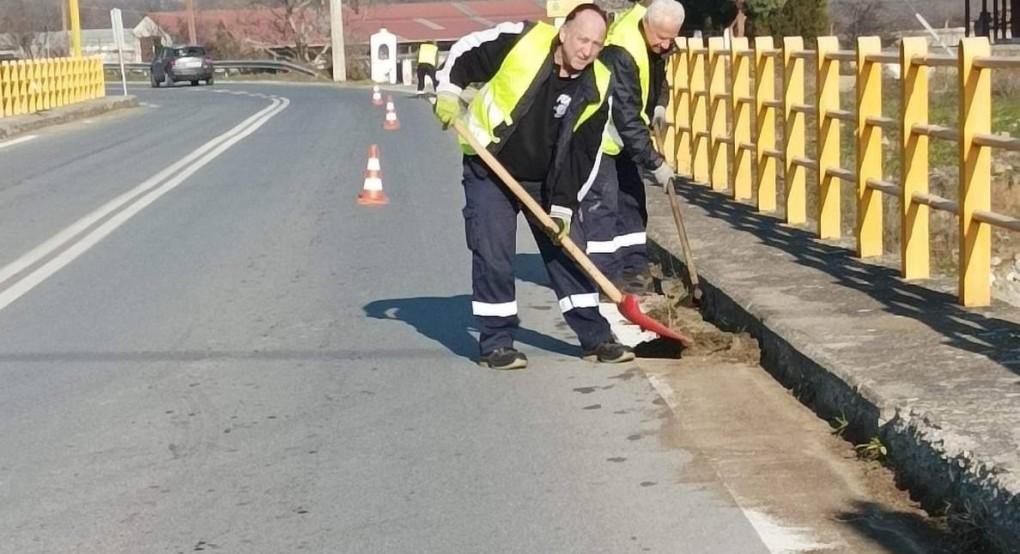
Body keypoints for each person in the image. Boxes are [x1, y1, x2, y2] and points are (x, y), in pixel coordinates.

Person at [433, 4, 636, 370]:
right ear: (564, 33)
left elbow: (583, 153)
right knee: (493, 252)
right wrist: (448, 91)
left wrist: (562, 207)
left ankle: (595, 338)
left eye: (596, 43)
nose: (586, 50)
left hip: (547, 178)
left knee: (570, 250)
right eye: (581, 39)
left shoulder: (598, 83)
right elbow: (467, 52)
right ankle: (497, 344)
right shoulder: (524, 40)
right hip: (489, 165)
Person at [580, 0, 685, 293]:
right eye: (661, 38)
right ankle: (604, 279)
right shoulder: (622, 50)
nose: (665, 45)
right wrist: (656, 164)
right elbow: (626, 119)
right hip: (599, 137)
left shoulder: (654, 38)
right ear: (647, 25)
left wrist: (660, 104)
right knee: (604, 205)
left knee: (632, 200)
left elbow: (655, 73)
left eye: (670, 39)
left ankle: (635, 270)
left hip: (624, 138)